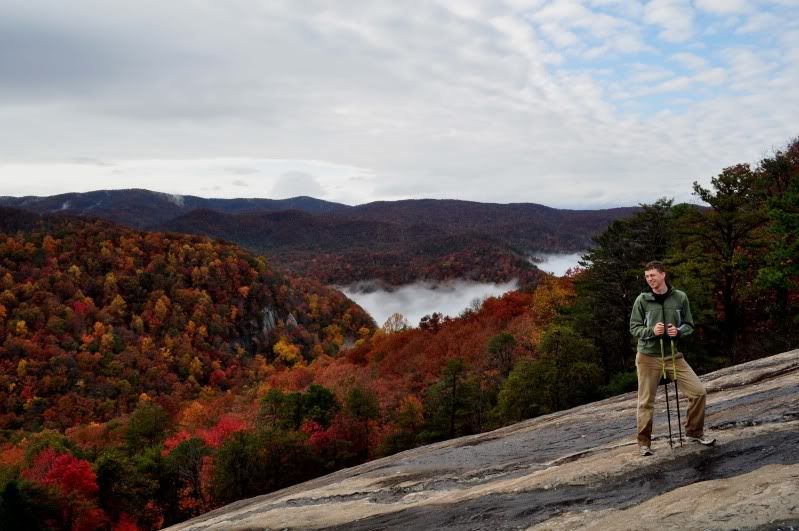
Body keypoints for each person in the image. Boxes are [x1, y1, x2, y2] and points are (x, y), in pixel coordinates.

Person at [629, 260, 715, 456]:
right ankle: (644, 444)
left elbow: (689, 325)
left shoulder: (680, 297)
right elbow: (634, 328)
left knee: (698, 392)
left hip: (673, 356)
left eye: (653, 275)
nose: (649, 279)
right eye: (647, 276)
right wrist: (652, 331)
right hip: (647, 356)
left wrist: (678, 331)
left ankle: (694, 433)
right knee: (645, 402)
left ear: (663, 275)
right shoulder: (641, 300)